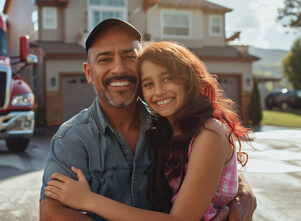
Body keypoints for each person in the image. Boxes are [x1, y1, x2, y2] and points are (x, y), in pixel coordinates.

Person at [39, 19, 256, 221]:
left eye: (129, 57)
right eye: (105, 59)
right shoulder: (73, 138)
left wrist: (243, 195)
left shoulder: (169, 123)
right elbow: (51, 212)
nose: (119, 68)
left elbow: (216, 169)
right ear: (88, 73)